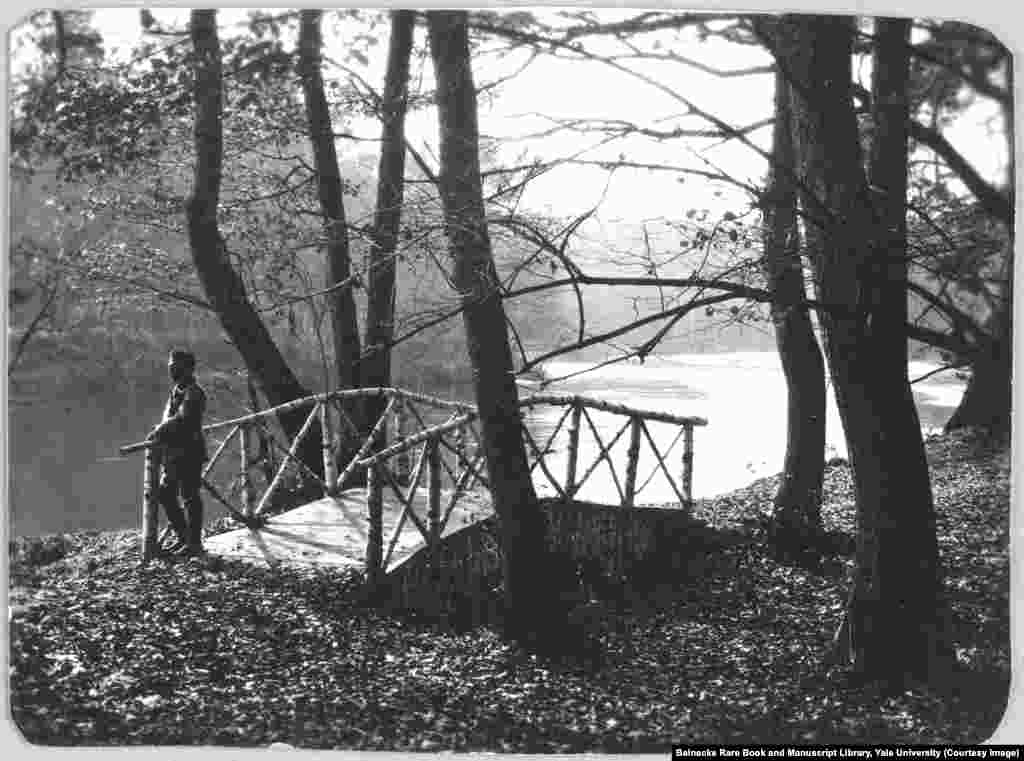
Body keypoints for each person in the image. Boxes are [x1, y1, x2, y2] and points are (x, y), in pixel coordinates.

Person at [150, 350, 208, 557]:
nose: (172, 370)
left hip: (190, 452)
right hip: (174, 454)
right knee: (166, 494)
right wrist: (160, 431)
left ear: (189, 368)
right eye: (170, 366)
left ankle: (194, 544)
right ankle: (184, 537)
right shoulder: (177, 390)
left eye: (176, 367)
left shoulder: (195, 392)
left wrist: (159, 430)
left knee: (190, 496)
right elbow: (169, 418)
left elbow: (183, 420)